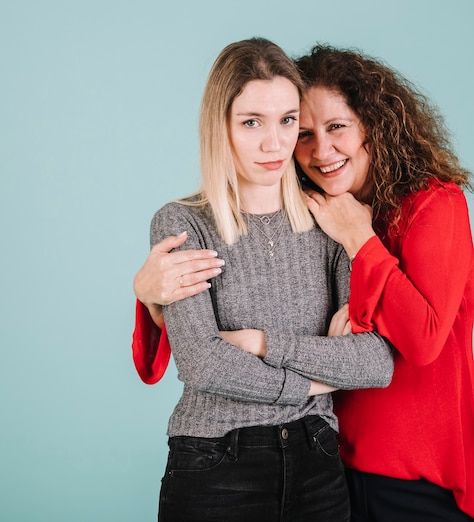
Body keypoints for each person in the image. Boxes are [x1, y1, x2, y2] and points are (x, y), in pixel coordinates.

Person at [133, 44, 474, 521]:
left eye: (333, 127)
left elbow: (389, 356)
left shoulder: (383, 212)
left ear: (373, 123)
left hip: (369, 463)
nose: (306, 147)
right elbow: (205, 361)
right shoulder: (305, 207)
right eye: (304, 131)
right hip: (282, 457)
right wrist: (317, 382)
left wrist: (260, 342)